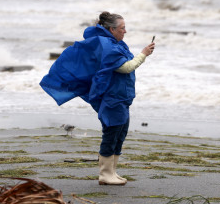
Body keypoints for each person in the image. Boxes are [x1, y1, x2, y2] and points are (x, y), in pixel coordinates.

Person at [40, 11, 155, 186]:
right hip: (112, 98)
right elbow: (126, 67)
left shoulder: (116, 43)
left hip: (121, 97)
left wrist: (142, 55)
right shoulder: (108, 45)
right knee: (111, 133)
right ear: (111, 29)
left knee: (120, 133)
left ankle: (112, 172)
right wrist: (144, 54)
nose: (125, 31)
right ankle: (105, 174)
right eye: (123, 28)